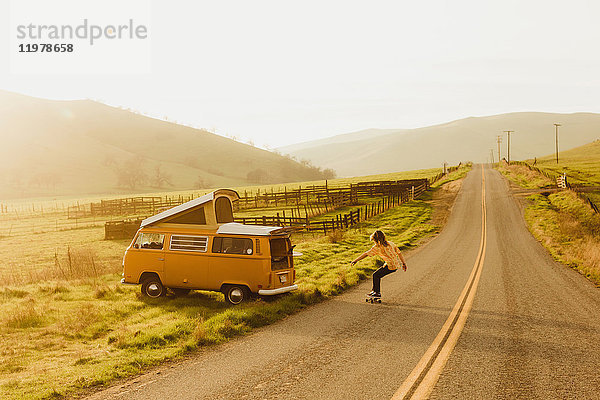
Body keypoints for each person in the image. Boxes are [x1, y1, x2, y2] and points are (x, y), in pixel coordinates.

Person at [350, 230, 407, 298]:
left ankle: (377, 293)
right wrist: (403, 263)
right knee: (377, 275)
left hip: (390, 266)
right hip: (395, 265)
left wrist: (356, 260)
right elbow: (399, 253)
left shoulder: (377, 247)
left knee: (376, 275)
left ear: (375, 240)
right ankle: (374, 291)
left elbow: (366, 254)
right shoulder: (391, 243)